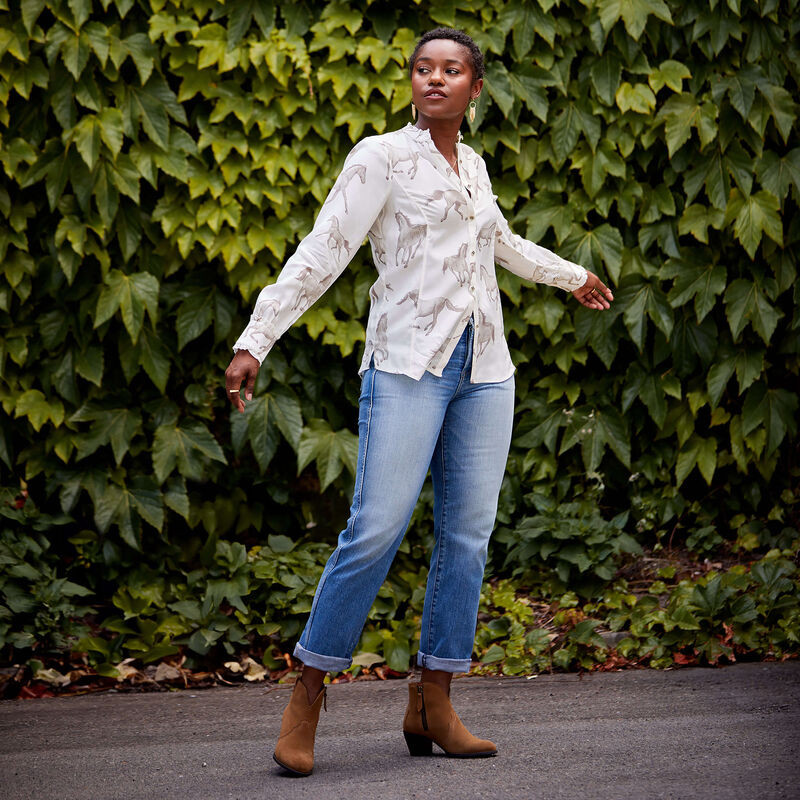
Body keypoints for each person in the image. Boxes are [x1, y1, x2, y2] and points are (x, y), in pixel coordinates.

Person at [225, 27, 613, 776]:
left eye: (452, 69)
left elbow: (497, 240)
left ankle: (433, 700)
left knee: (467, 537)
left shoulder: (472, 164)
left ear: (473, 87)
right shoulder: (379, 158)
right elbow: (324, 247)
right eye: (423, 69)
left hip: (485, 369)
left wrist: (570, 276)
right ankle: (308, 689)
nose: (435, 79)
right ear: (412, 83)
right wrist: (256, 338)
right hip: (407, 366)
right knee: (374, 527)